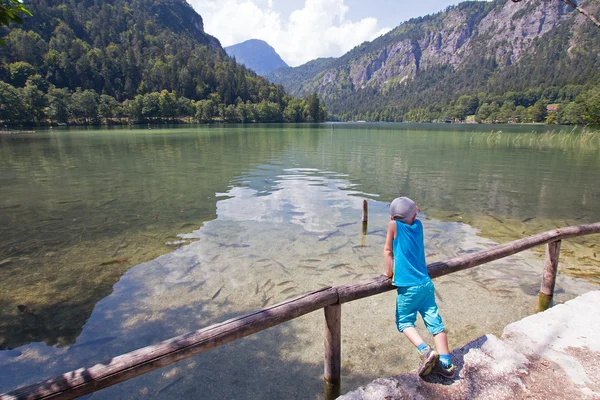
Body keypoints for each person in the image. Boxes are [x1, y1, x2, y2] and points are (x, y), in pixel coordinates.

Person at [382, 196, 456, 379]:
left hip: (408, 287)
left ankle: (425, 350)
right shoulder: (419, 226)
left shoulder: (393, 226)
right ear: (414, 215)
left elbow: (388, 251)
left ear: (392, 217)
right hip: (425, 284)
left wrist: (388, 273)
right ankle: (446, 364)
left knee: (405, 322)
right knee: (435, 323)